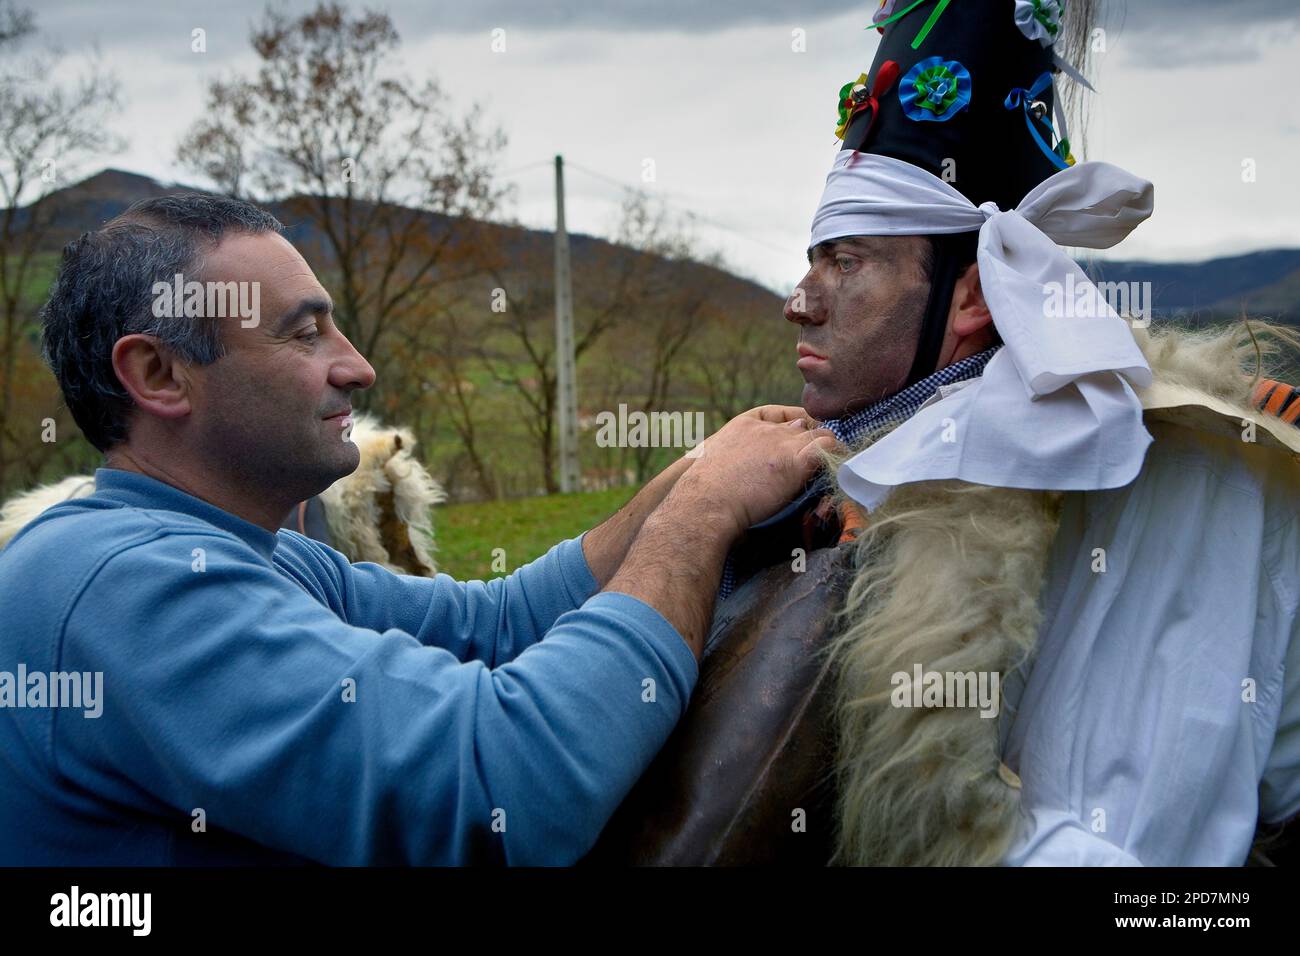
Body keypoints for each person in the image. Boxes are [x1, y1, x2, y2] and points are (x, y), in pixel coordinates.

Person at [611, 0, 1299, 867]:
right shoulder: (1249, 455)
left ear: (972, 296)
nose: (799, 301)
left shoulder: (1238, 469)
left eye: (846, 261)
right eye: (813, 260)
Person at [0, 194, 836, 865]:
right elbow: (507, 790)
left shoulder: (260, 556)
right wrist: (699, 522)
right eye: (302, 333)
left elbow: (497, 624)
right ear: (159, 374)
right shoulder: (129, 585)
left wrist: (693, 477)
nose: (357, 367)